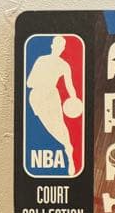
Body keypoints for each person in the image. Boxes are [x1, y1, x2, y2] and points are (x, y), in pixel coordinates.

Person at [26, 35, 80, 175]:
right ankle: (67, 146)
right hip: (37, 97)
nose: (58, 48)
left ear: (63, 48)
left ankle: (69, 152)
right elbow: (29, 83)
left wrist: (74, 99)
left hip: (52, 96)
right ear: (52, 46)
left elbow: (70, 86)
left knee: (60, 124)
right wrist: (43, 81)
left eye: (61, 46)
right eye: (57, 45)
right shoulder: (41, 60)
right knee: (50, 127)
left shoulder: (64, 65)